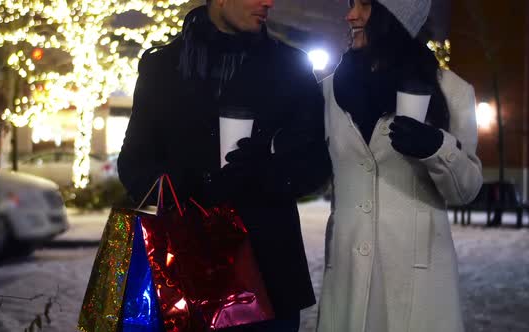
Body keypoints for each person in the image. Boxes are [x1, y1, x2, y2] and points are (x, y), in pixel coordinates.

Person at [117, 0, 331, 331]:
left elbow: (315, 165)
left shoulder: (289, 66)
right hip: (182, 275)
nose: (268, 3)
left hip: (266, 273)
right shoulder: (162, 66)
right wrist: (179, 187)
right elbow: (133, 163)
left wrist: (266, 172)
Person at [317, 0, 483, 331]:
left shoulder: (451, 91)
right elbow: (317, 171)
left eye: (363, 5)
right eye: (351, 5)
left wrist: (438, 148)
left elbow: (467, 189)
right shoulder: (329, 91)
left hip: (418, 294)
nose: (350, 16)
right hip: (346, 285)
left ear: (397, 13)